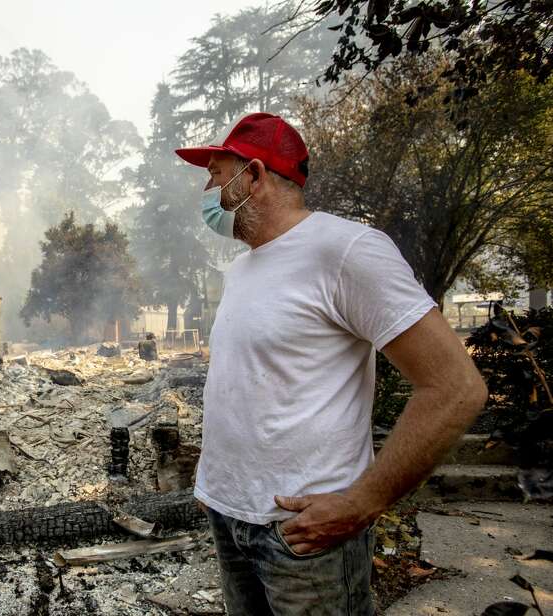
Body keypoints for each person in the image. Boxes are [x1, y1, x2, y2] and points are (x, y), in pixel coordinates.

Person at [175, 112, 488, 615]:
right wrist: (215, 484)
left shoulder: (346, 250)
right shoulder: (242, 269)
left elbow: (455, 388)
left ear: (253, 176)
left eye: (216, 173)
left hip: (303, 538)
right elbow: (248, 383)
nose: (208, 190)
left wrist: (365, 501)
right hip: (230, 520)